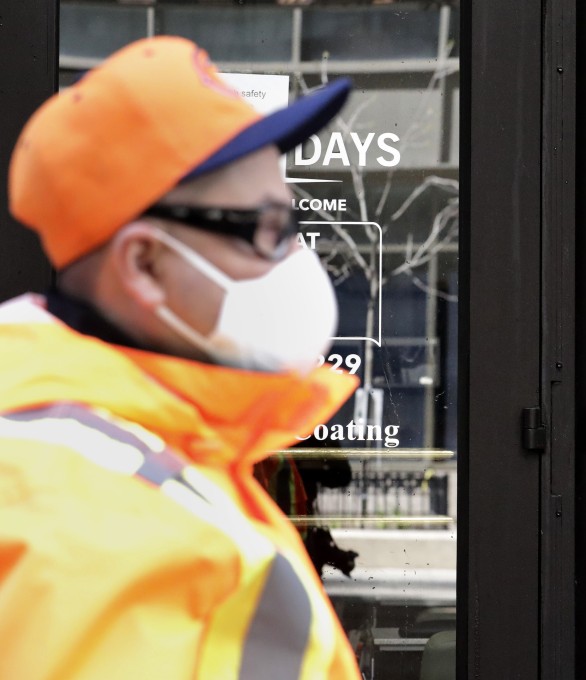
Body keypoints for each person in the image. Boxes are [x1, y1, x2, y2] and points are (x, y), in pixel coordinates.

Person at [0, 36, 362, 679]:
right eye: (268, 229)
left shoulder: (99, 452)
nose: (298, 259)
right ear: (144, 264)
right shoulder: (115, 528)